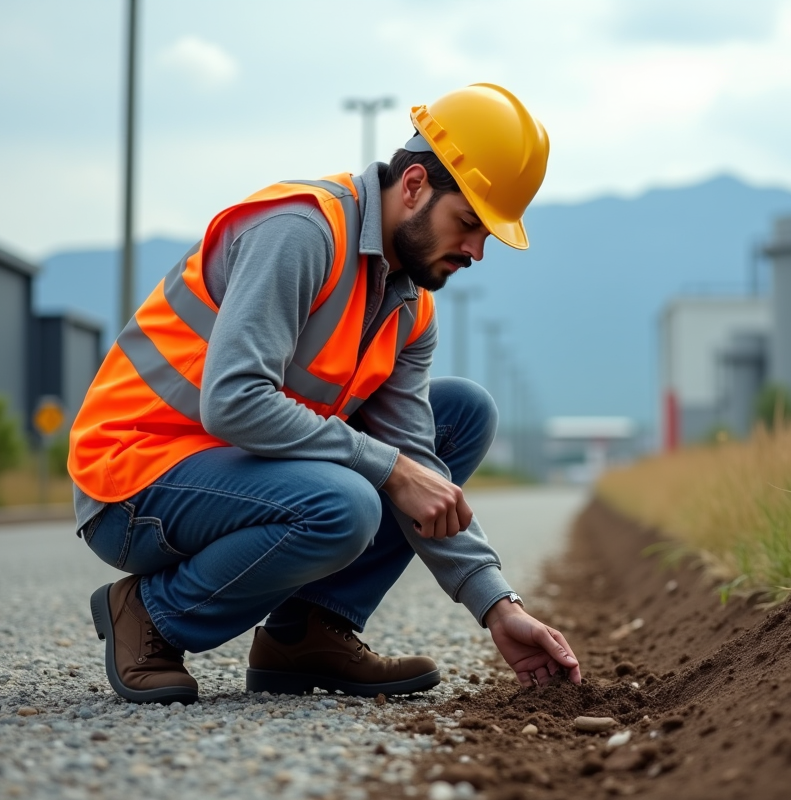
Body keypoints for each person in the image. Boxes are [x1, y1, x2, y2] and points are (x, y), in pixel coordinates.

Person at [69, 84, 581, 705]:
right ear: (414, 185)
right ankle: (150, 613)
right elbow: (233, 401)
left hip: (237, 468)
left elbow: (417, 459)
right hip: (133, 476)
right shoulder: (301, 233)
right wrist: (388, 469)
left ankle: (308, 629)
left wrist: (497, 605)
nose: (475, 251)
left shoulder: (410, 305)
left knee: (462, 415)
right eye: (468, 223)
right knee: (349, 505)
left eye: (486, 236)